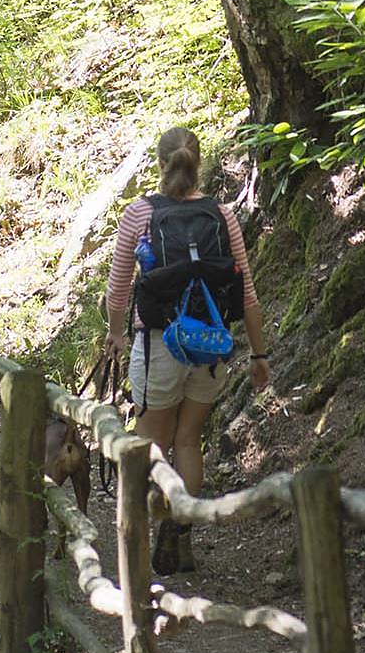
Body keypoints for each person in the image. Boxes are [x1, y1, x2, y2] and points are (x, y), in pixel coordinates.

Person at [102, 126, 270, 574]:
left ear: (160, 164)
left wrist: (117, 333)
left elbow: (119, 288)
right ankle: (178, 536)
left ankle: (136, 545)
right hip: (211, 344)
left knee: (148, 445)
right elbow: (246, 291)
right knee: (188, 441)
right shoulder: (222, 214)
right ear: (200, 164)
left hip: (160, 343)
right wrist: (259, 353)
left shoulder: (140, 214)